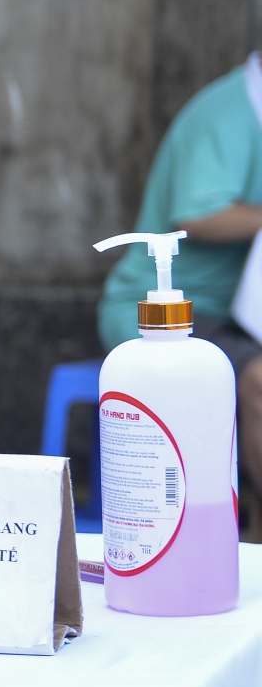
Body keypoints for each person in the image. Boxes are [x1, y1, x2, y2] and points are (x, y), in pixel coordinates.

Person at [99, 51, 262, 499]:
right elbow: (197, 215)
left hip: (241, 314)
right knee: (257, 380)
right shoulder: (227, 114)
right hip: (166, 307)